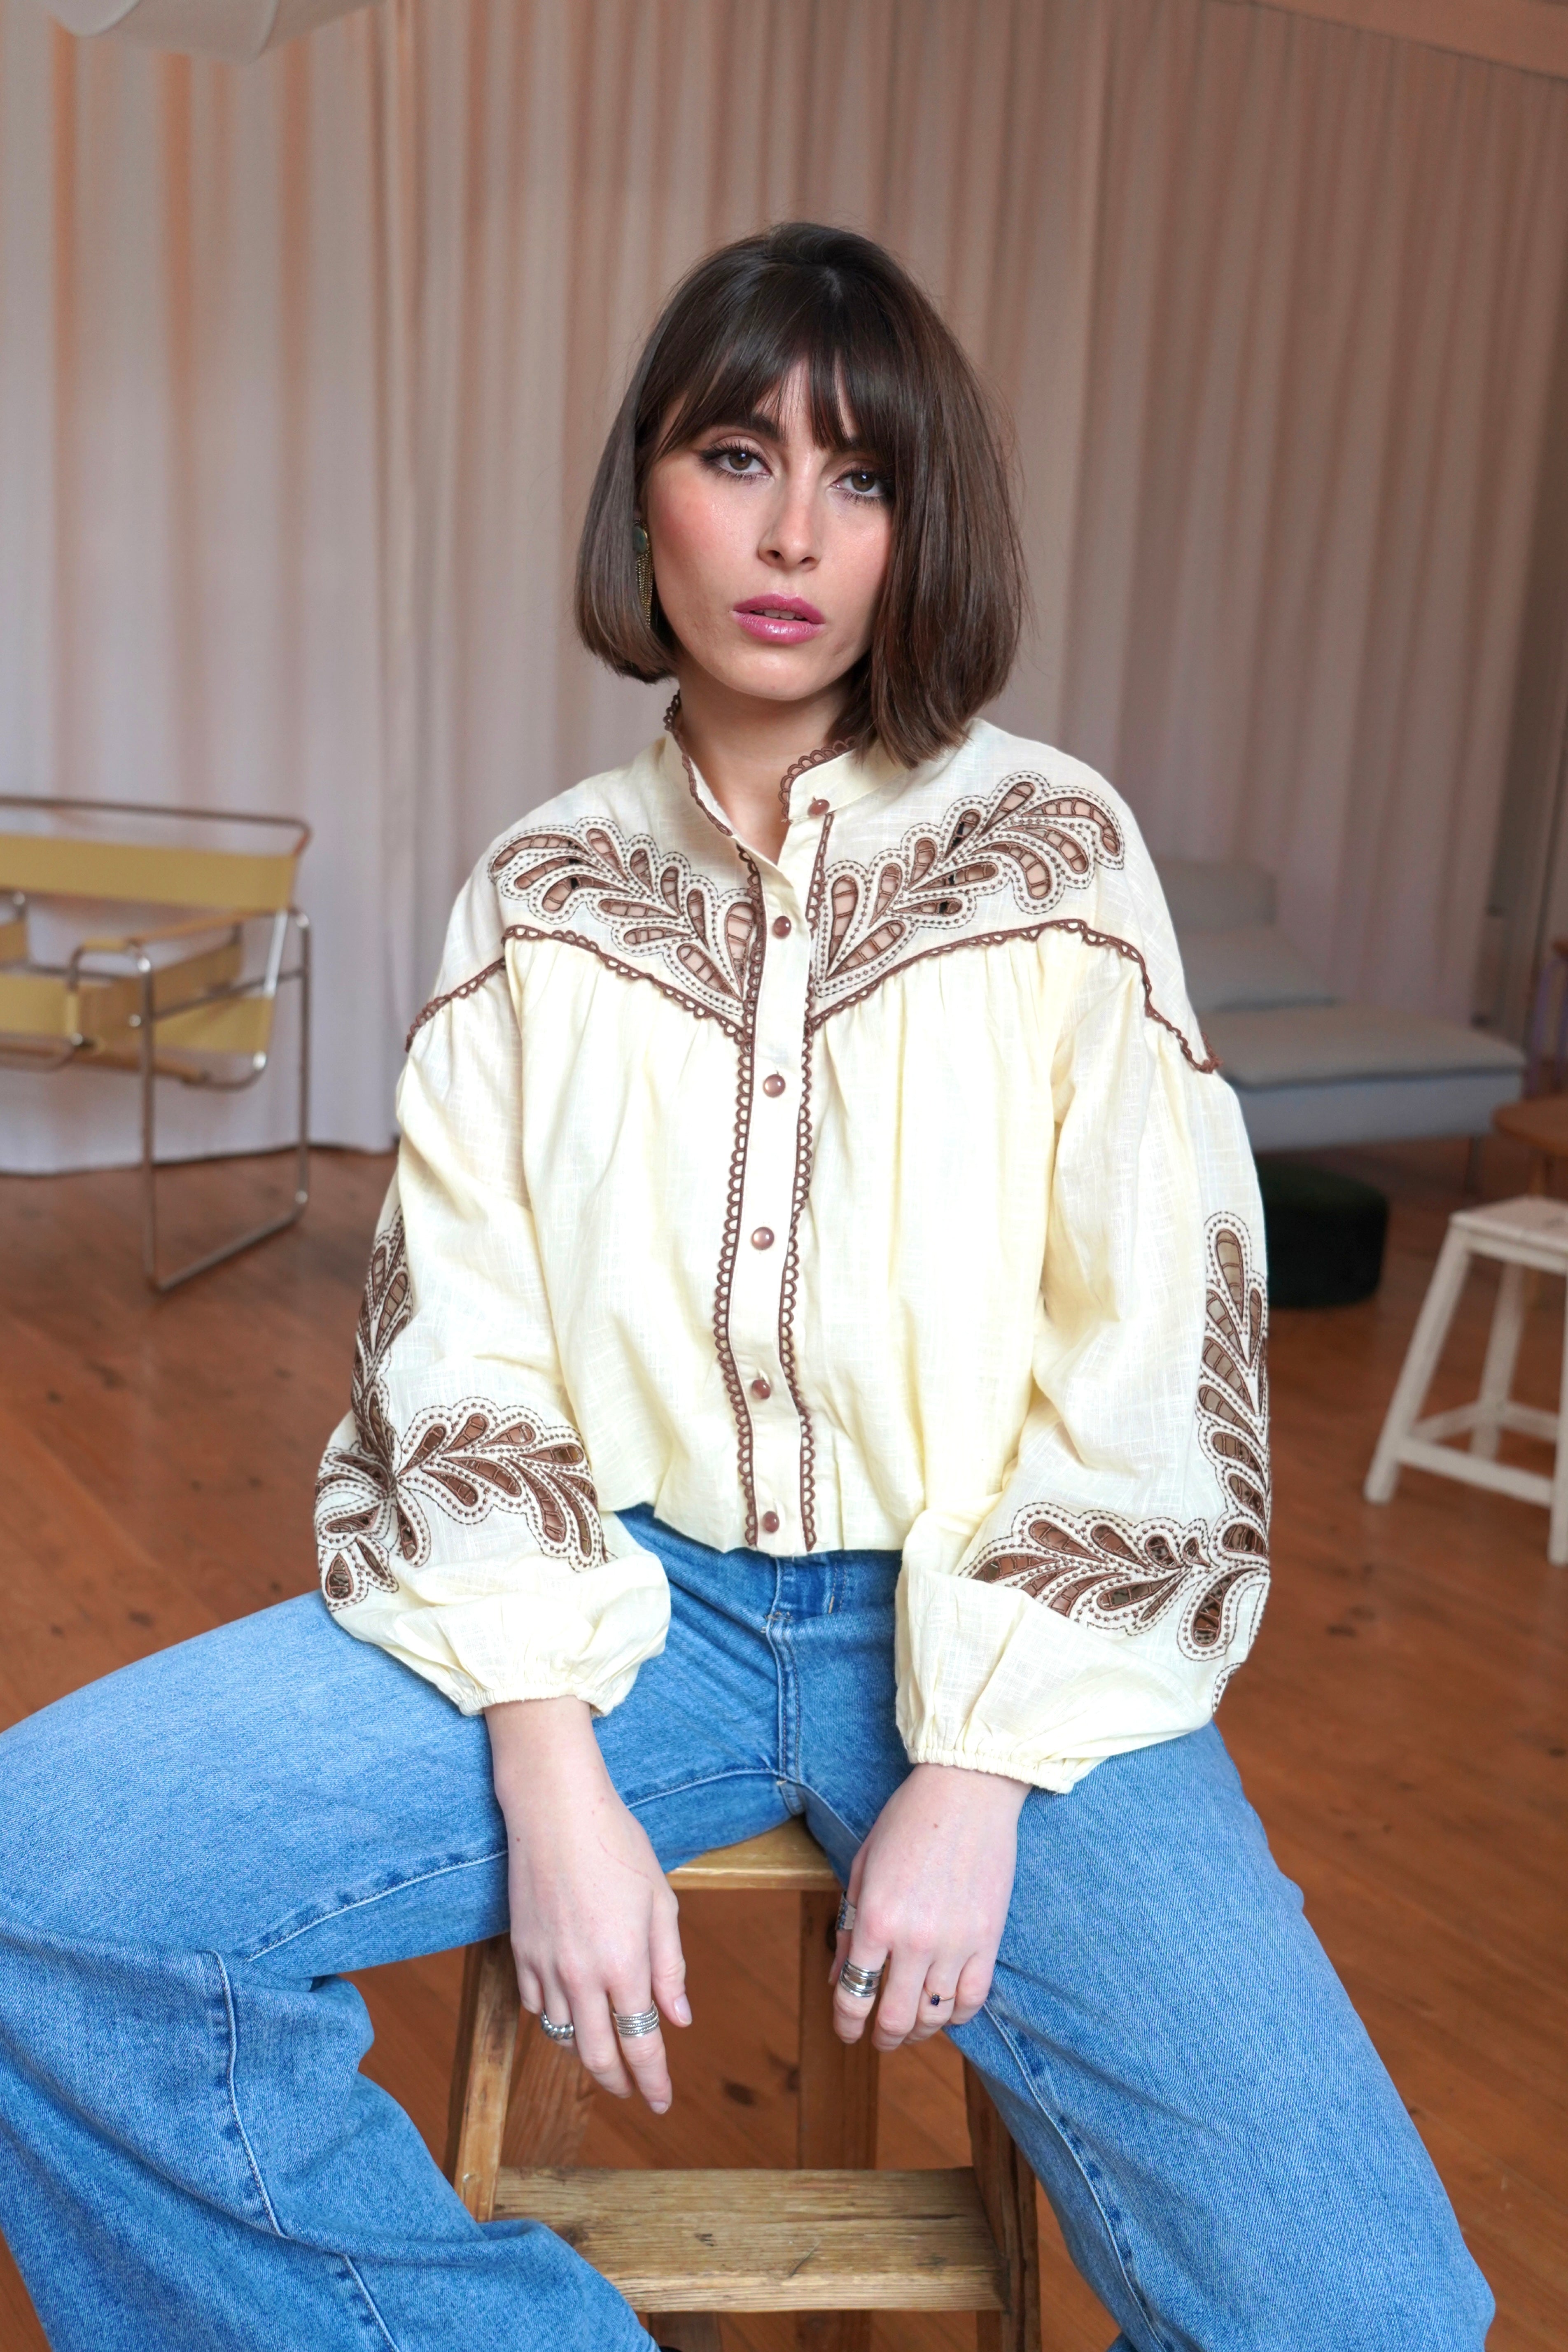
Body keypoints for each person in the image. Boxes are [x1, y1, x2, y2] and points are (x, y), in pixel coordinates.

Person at [0, 223, 1489, 2352]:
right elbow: (461, 1347)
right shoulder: (539, 896)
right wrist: (547, 1772)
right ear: (648, 499)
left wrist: (980, 1774)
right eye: (737, 456)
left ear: (919, 528)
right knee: (43, 1881)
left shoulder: (1060, 860)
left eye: (861, 478)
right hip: (619, 1603)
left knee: (1373, 2310)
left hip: (1003, 1617)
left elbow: (1157, 1345)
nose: (795, 532)